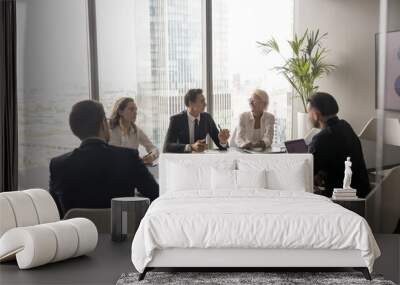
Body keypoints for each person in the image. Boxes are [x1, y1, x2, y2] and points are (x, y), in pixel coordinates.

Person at [49, 100, 159, 216]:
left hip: (78, 233)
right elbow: (155, 195)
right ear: (103, 124)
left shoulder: (58, 165)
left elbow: (55, 212)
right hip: (123, 232)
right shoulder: (129, 158)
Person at [307, 92, 370, 198]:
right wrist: (321, 174)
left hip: (341, 200)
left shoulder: (321, 139)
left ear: (315, 115)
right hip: (362, 195)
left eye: (308, 112)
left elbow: (306, 173)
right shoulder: (345, 125)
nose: (307, 116)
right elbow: (337, 157)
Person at [163, 88, 230, 153]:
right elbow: (167, 147)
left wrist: (223, 141)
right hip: (182, 161)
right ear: (191, 103)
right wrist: (191, 147)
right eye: (202, 101)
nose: (205, 104)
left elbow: (223, 147)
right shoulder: (176, 120)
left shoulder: (207, 118)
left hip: (202, 161)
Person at [109, 97, 158, 165]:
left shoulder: (136, 130)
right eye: (131, 109)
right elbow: (116, 156)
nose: (135, 112)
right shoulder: (112, 131)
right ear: (120, 112)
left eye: (135, 110)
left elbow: (153, 148)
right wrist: (137, 160)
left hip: (132, 169)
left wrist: (152, 156)